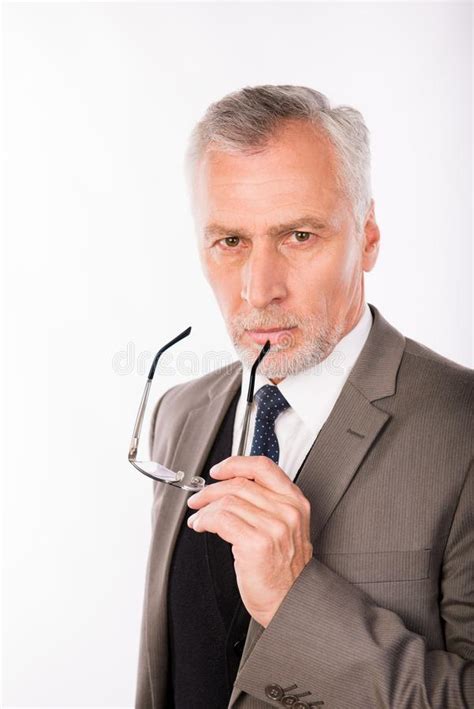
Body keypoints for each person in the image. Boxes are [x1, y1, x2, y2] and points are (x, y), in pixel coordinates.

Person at [135, 85, 473, 708]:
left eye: (298, 236)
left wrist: (296, 603)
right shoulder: (177, 413)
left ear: (367, 235)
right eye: (231, 242)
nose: (260, 290)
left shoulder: (465, 430)